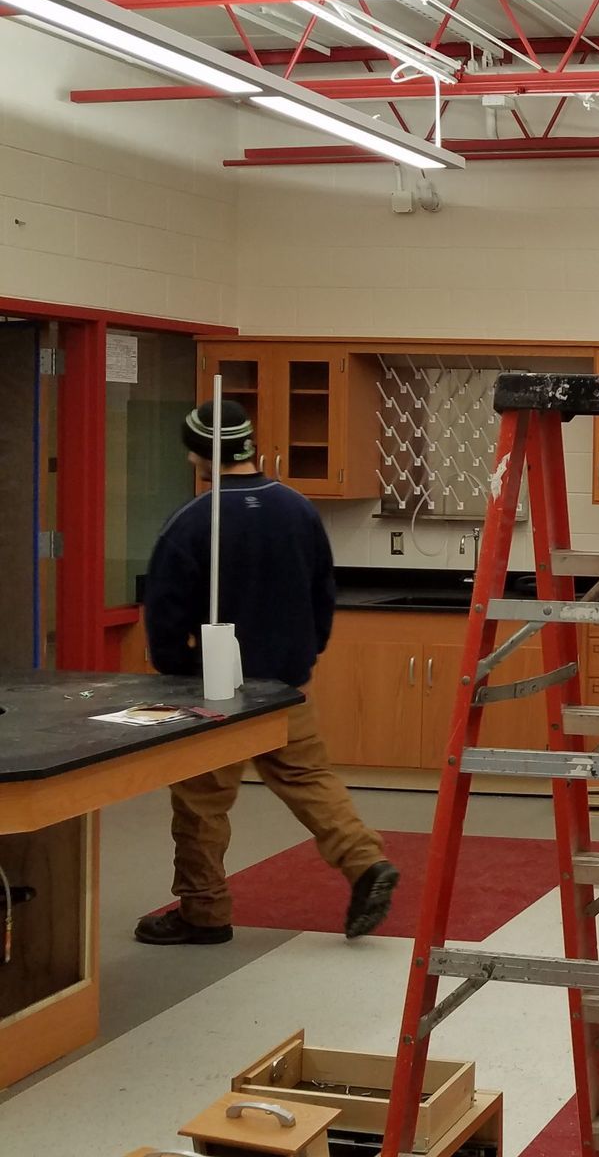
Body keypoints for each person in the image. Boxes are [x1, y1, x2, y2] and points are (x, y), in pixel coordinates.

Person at [135, 398, 399, 945]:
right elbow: (322, 593)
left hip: (213, 693)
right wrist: (303, 657)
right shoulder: (298, 510)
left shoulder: (192, 522)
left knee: (201, 803)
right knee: (308, 779)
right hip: (283, 687)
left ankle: (204, 912)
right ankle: (365, 862)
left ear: (196, 456)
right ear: (250, 447)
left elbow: (165, 615)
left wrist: (177, 670)